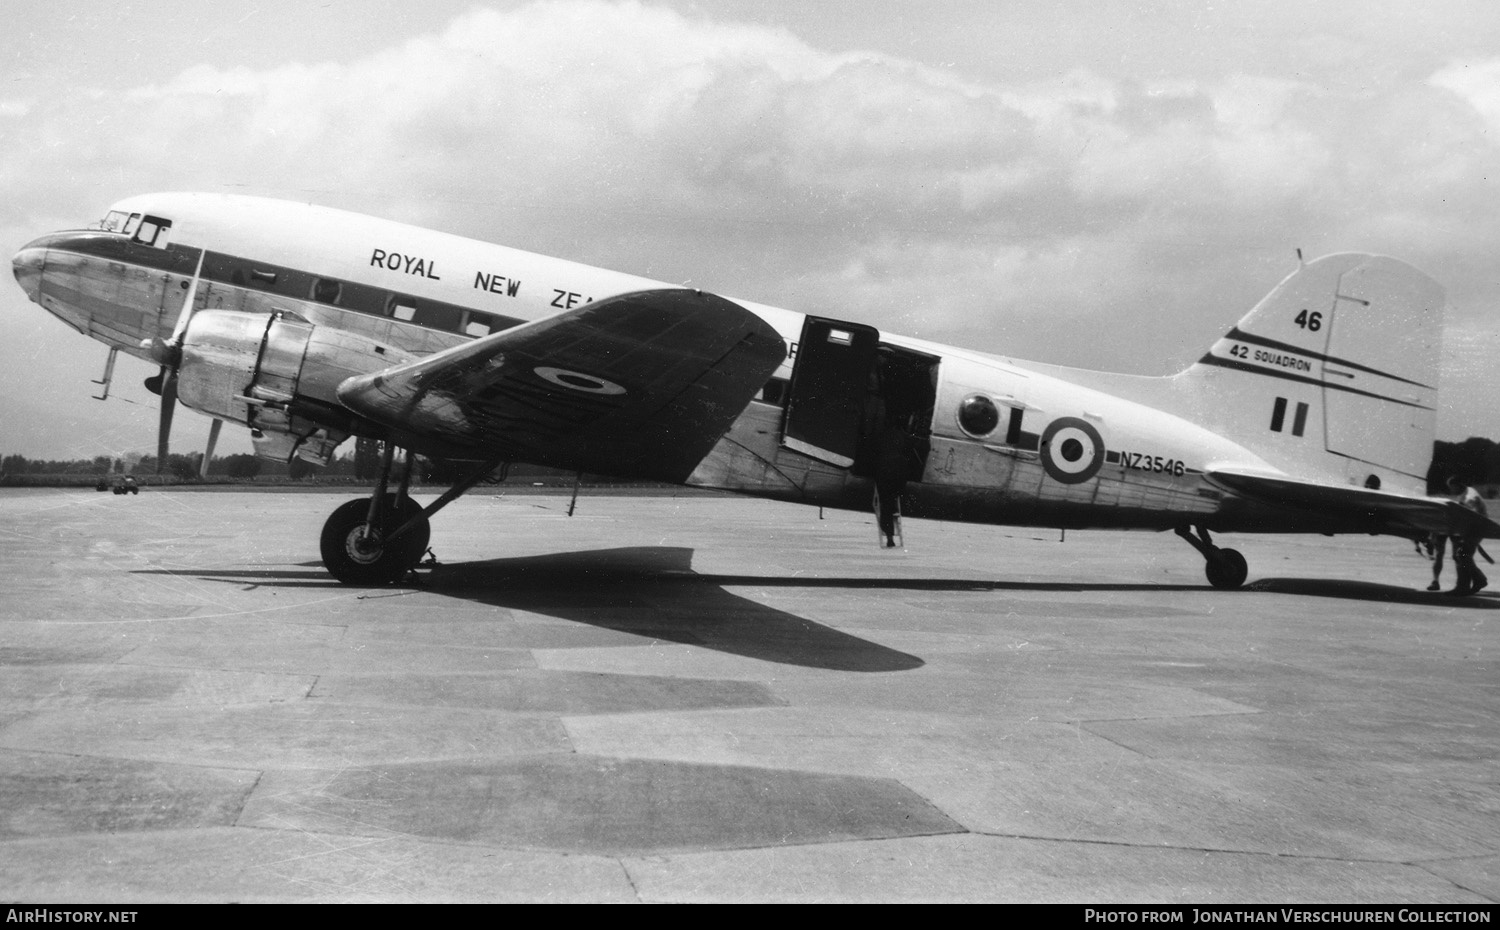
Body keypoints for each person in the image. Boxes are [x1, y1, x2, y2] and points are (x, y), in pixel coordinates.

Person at [1446, 477, 1489, 596]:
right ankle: (1478, 580)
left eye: (1452, 487)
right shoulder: (1465, 493)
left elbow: (1472, 516)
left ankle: (1464, 586)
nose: (1451, 490)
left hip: (1474, 530)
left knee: (1462, 555)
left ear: (1458, 485)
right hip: (1470, 530)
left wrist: (1463, 535)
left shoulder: (1470, 497)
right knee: (1461, 556)